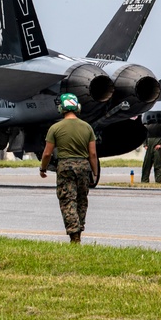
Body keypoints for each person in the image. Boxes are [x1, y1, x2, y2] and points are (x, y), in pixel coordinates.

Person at [40, 93, 98, 244]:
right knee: (81, 200)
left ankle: (74, 235)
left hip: (65, 167)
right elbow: (92, 153)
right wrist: (95, 172)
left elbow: (47, 153)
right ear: (77, 107)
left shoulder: (55, 128)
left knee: (68, 200)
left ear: (61, 108)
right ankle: (79, 229)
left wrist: (43, 168)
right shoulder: (87, 127)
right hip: (84, 167)